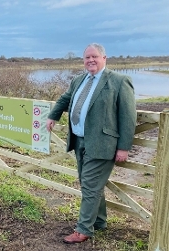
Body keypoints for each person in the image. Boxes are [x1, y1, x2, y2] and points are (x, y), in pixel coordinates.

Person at [45, 43, 136, 244]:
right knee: (91, 185)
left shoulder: (119, 81)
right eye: (87, 58)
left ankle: (84, 229)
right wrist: (53, 116)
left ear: (104, 58)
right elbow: (64, 99)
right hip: (79, 141)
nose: (90, 60)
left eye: (94, 56)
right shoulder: (79, 80)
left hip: (103, 144)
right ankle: (100, 222)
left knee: (90, 186)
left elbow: (128, 117)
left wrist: (124, 147)